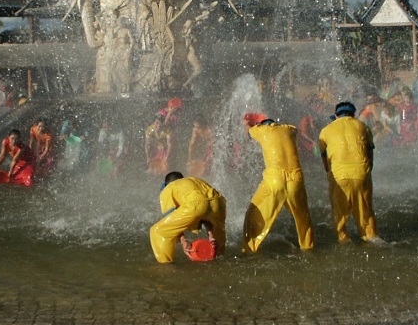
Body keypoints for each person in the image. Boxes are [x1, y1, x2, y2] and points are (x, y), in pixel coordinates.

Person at [241, 113, 314, 253]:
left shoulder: (261, 130)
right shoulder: (289, 129)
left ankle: (249, 250)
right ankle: (308, 248)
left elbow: (247, 132)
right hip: (296, 179)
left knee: (252, 214)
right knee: (303, 218)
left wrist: (245, 124)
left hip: (275, 179)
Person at [318, 101, 380, 243]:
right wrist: (366, 171)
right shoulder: (363, 127)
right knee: (366, 212)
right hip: (361, 173)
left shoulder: (325, 131)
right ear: (353, 115)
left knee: (339, 213)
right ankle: (371, 239)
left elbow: (324, 160)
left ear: (336, 115)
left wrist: (330, 172)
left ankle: (344, 240)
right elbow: (370, 154)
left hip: (339, 176)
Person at [149, 171, 226, 264]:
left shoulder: (168, 188)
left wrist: (183, 242)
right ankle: (218, 256)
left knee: (158, 231)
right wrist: (211, 235)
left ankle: (166, 266)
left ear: (166, 184)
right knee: (219, 233)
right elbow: (205, 210)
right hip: (219, 203)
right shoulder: (194, 181)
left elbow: (173, 220)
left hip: (195, 204)